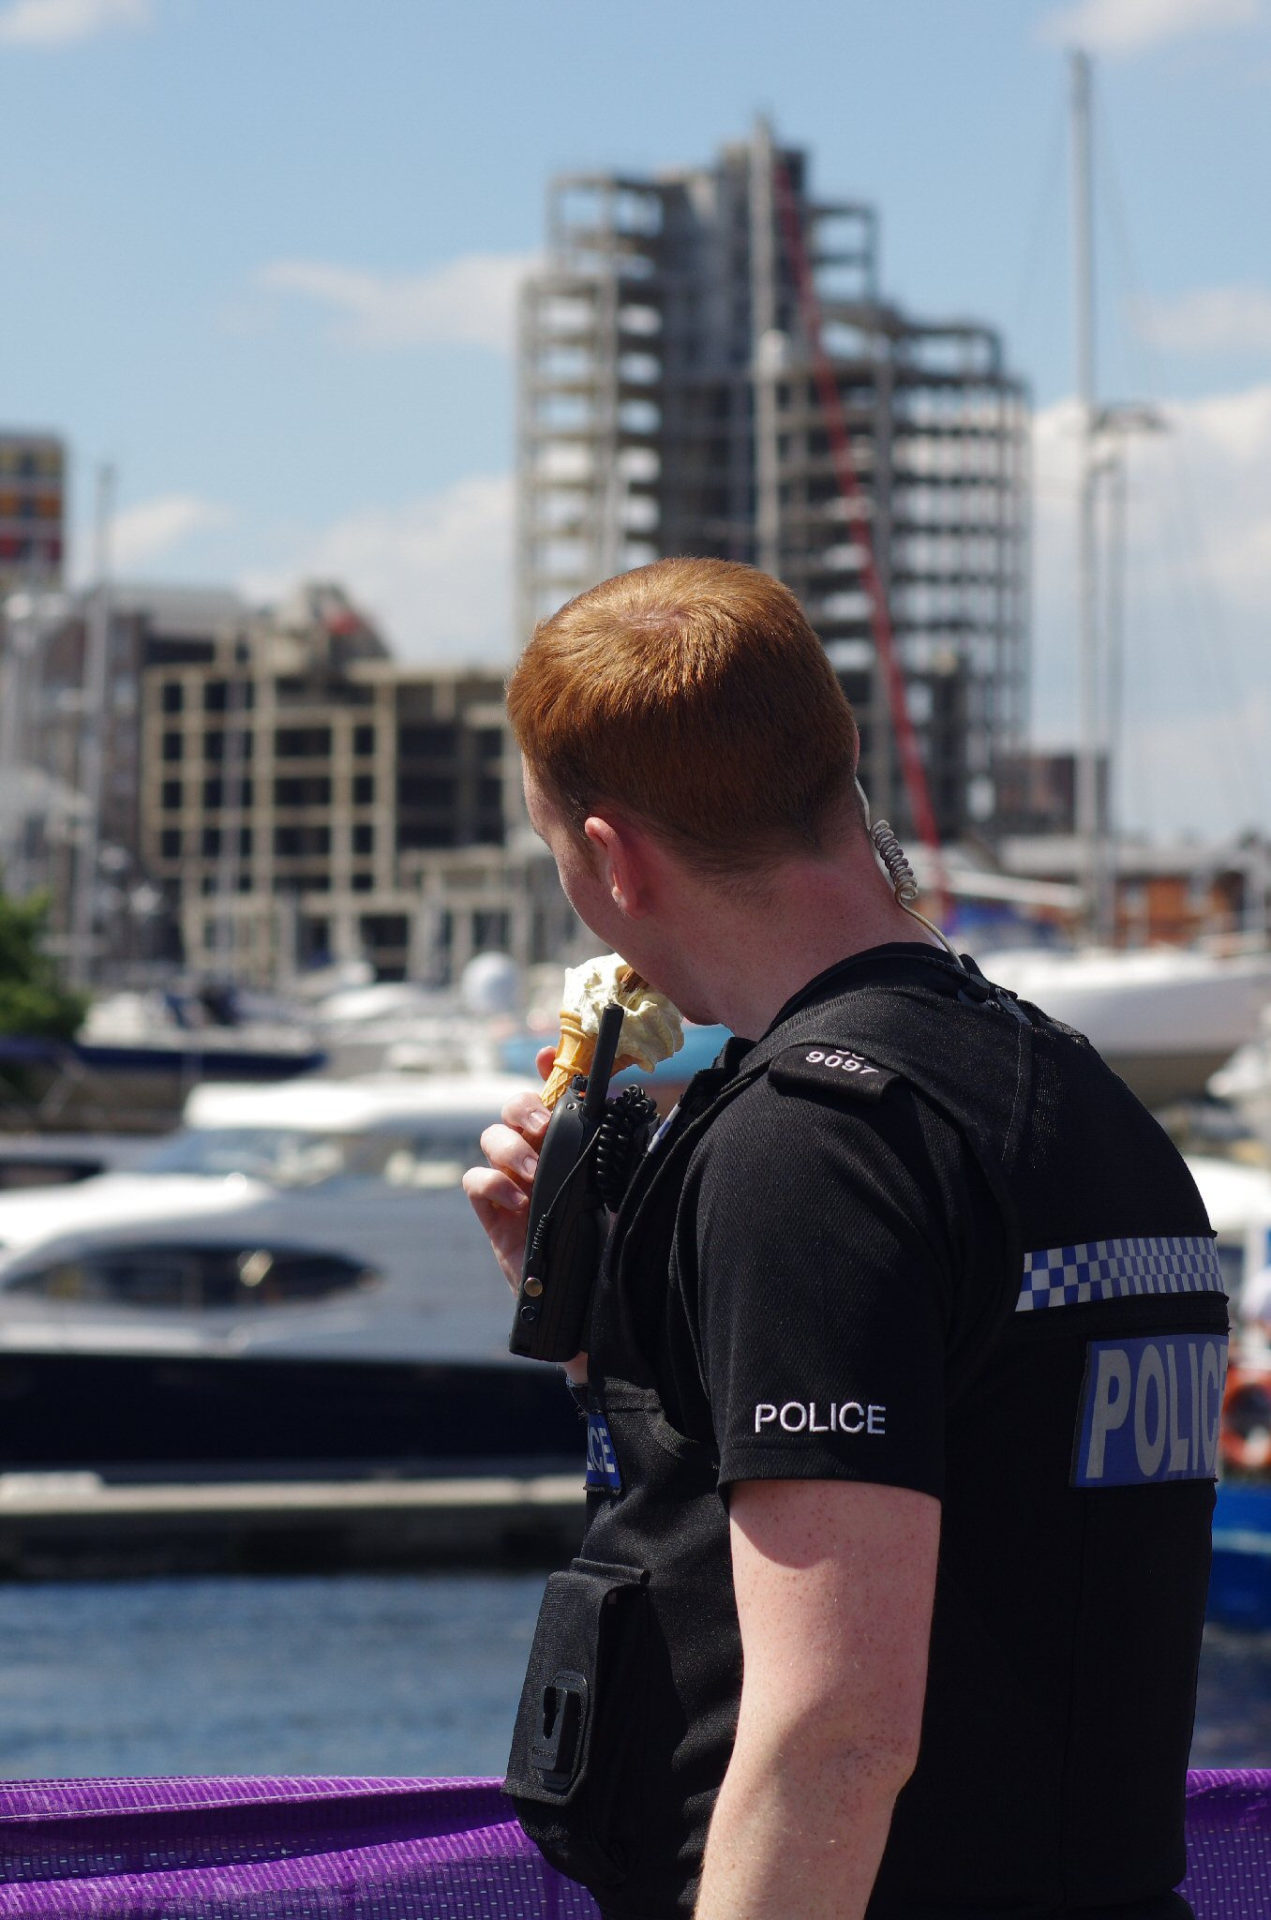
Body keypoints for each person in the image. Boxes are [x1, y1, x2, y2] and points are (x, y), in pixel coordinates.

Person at [463, 557, 1226, 1920]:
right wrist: (616, 1330)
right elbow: (1001, 1488)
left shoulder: (807, 1149)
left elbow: (833, 1737)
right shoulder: (1072, 1103)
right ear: (843, 764)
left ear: (615, 858)